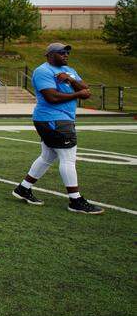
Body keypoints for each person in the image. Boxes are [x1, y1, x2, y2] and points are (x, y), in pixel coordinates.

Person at [12, 43, 104, 214]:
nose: (66, 55)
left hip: (60, 118)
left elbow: (86, 89)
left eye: (67, 52)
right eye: (62, 52)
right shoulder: (43, 71)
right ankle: (75, 200)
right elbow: (51, 97)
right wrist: (77, 94)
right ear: (50, 54)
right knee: (68, 158)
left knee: (47, 156)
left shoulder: (69, 70)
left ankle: (23, 188)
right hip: (53, 119)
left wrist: (70, 79)